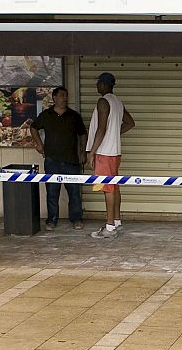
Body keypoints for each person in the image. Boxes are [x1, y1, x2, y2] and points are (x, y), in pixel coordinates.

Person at [86, 72, 135, 240]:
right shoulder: (117, 102)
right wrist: (115, 134)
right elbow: (130, 123)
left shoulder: (103, 101)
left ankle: (109, 227)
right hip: (115, 152)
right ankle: (116, 221)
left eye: (98, 83)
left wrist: (91, 152)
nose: (96, 86)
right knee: (114, 187)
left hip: (104, 153)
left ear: (104, 84)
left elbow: (101, 129)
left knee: (107, 189)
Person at [30, 86, 87, 231]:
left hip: (72, 160)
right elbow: (33, 127)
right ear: (54, 98)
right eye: (62, 96)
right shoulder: (46, 115)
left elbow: (82, 134)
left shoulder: (74, 116)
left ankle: (76, 219)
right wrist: (39, 144)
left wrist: (83, 152)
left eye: (66, 96)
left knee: (74, 192)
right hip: (52, 160)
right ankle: (52, 220)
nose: (65, 98)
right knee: (52, 191)